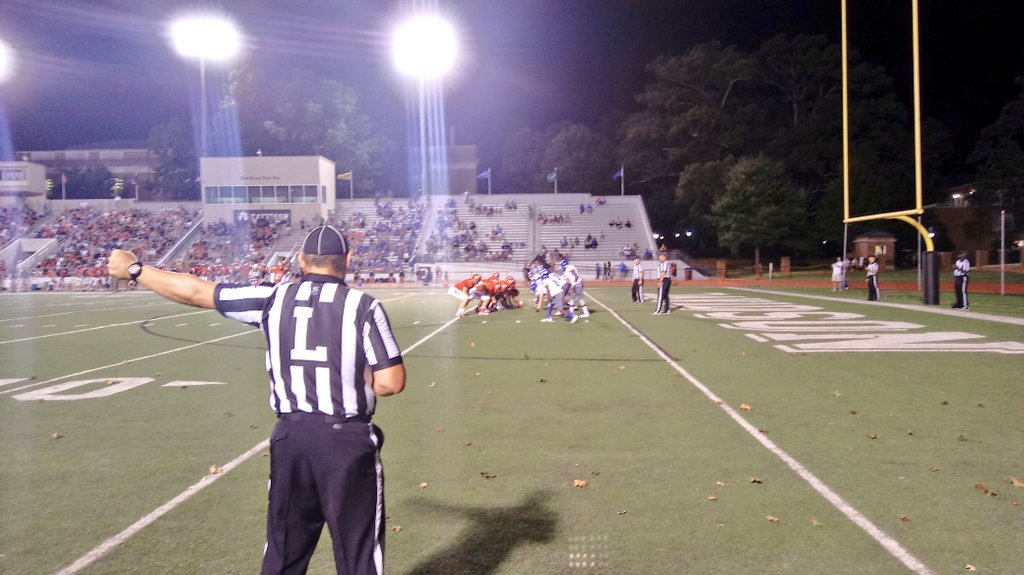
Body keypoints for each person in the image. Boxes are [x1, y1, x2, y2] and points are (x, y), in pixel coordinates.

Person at [107, 225, 406, 575]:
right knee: (358, 557)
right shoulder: (363, 306)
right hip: (346, 441)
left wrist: (136, 269)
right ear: (348, 260)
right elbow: (390, 382)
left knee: (283, 551)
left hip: (291, 439)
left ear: (301, 260)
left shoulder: (272, 298)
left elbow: (195, 291)